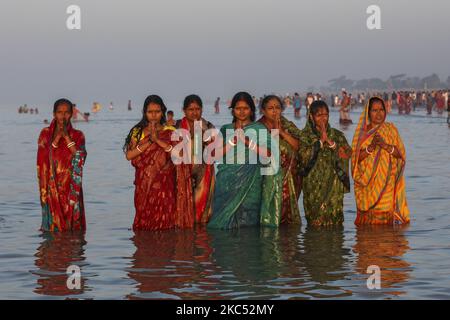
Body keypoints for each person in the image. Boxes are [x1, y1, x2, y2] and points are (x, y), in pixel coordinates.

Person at [207, 92, 280, 229]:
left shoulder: (259, 129)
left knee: (248, 225)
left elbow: (269, 154)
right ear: (232, 110)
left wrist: (248, 142)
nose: (241, 112)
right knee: (222, 227)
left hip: (251, 184)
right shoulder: (226, 129)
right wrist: (232, 142)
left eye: (245, 108)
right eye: (238, 108)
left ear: (251, 110)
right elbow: (214, 155)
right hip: (227, 183)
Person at [351, 97, 410, 225]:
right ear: (368, 113)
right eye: (374, 110)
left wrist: (385, 146)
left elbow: (400, 156)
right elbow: (355, 160)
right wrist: (370, 148)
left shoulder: (391, 129)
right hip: (367, 187)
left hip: (387, 184)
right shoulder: (361, 134)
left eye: (381, 110)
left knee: (386, 227)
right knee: (367, 229)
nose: (379, 114)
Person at [124, 95, 178, 231]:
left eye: (157, 111)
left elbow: (178, 155)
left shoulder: (171, 131)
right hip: (144, 183)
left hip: (165, 183)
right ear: (144, 113)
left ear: (163, 112)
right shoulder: (137, 131)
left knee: (166, 220)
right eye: (150, 112)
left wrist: (159, 139)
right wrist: (150, 141)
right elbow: (129, 155)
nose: (154, 115)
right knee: (144, 218)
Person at [298, 100, 352, 226]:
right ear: (311, 116)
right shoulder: (304, 136)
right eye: (319, 115)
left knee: (335, 222)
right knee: (315, 223)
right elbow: (303, 157)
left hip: (334, 186)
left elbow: (348, 153)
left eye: (325, 115)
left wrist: (332, 143)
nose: (323, 119)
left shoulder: (337, 135)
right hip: (313, 187)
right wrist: (320, 142)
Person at [37, 98, 87, 232]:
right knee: (53, 229)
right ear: (54, 114)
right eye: (59, 112)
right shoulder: (45, 134)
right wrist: (57, 138)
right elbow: (44, 159)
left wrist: (66, 137)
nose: (63, 116)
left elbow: (80, 158)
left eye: (66, 112)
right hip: (51, 187)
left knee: (73, 230)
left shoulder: (78, 135)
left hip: (71, 186)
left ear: (71, 114)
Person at [258, 95, 302, 225]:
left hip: (288, 179)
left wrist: (281, 132)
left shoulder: (287, 125)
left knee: (287, 218)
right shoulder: (258, 127)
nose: (274, 111)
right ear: (263, 110)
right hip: (266, 179)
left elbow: (298, 146)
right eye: (270, 108)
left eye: (277, 107)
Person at [175, 95, 216, 226]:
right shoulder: (176, 126)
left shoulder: (208, 126)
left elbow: (215, 151)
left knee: (202, 208)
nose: (194, 112)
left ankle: (201, 236)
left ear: (202, 110)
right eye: (190, 109)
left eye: (197, 109)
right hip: (181, 173)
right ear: (184, 110)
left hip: (204, 173)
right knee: (182, 207)